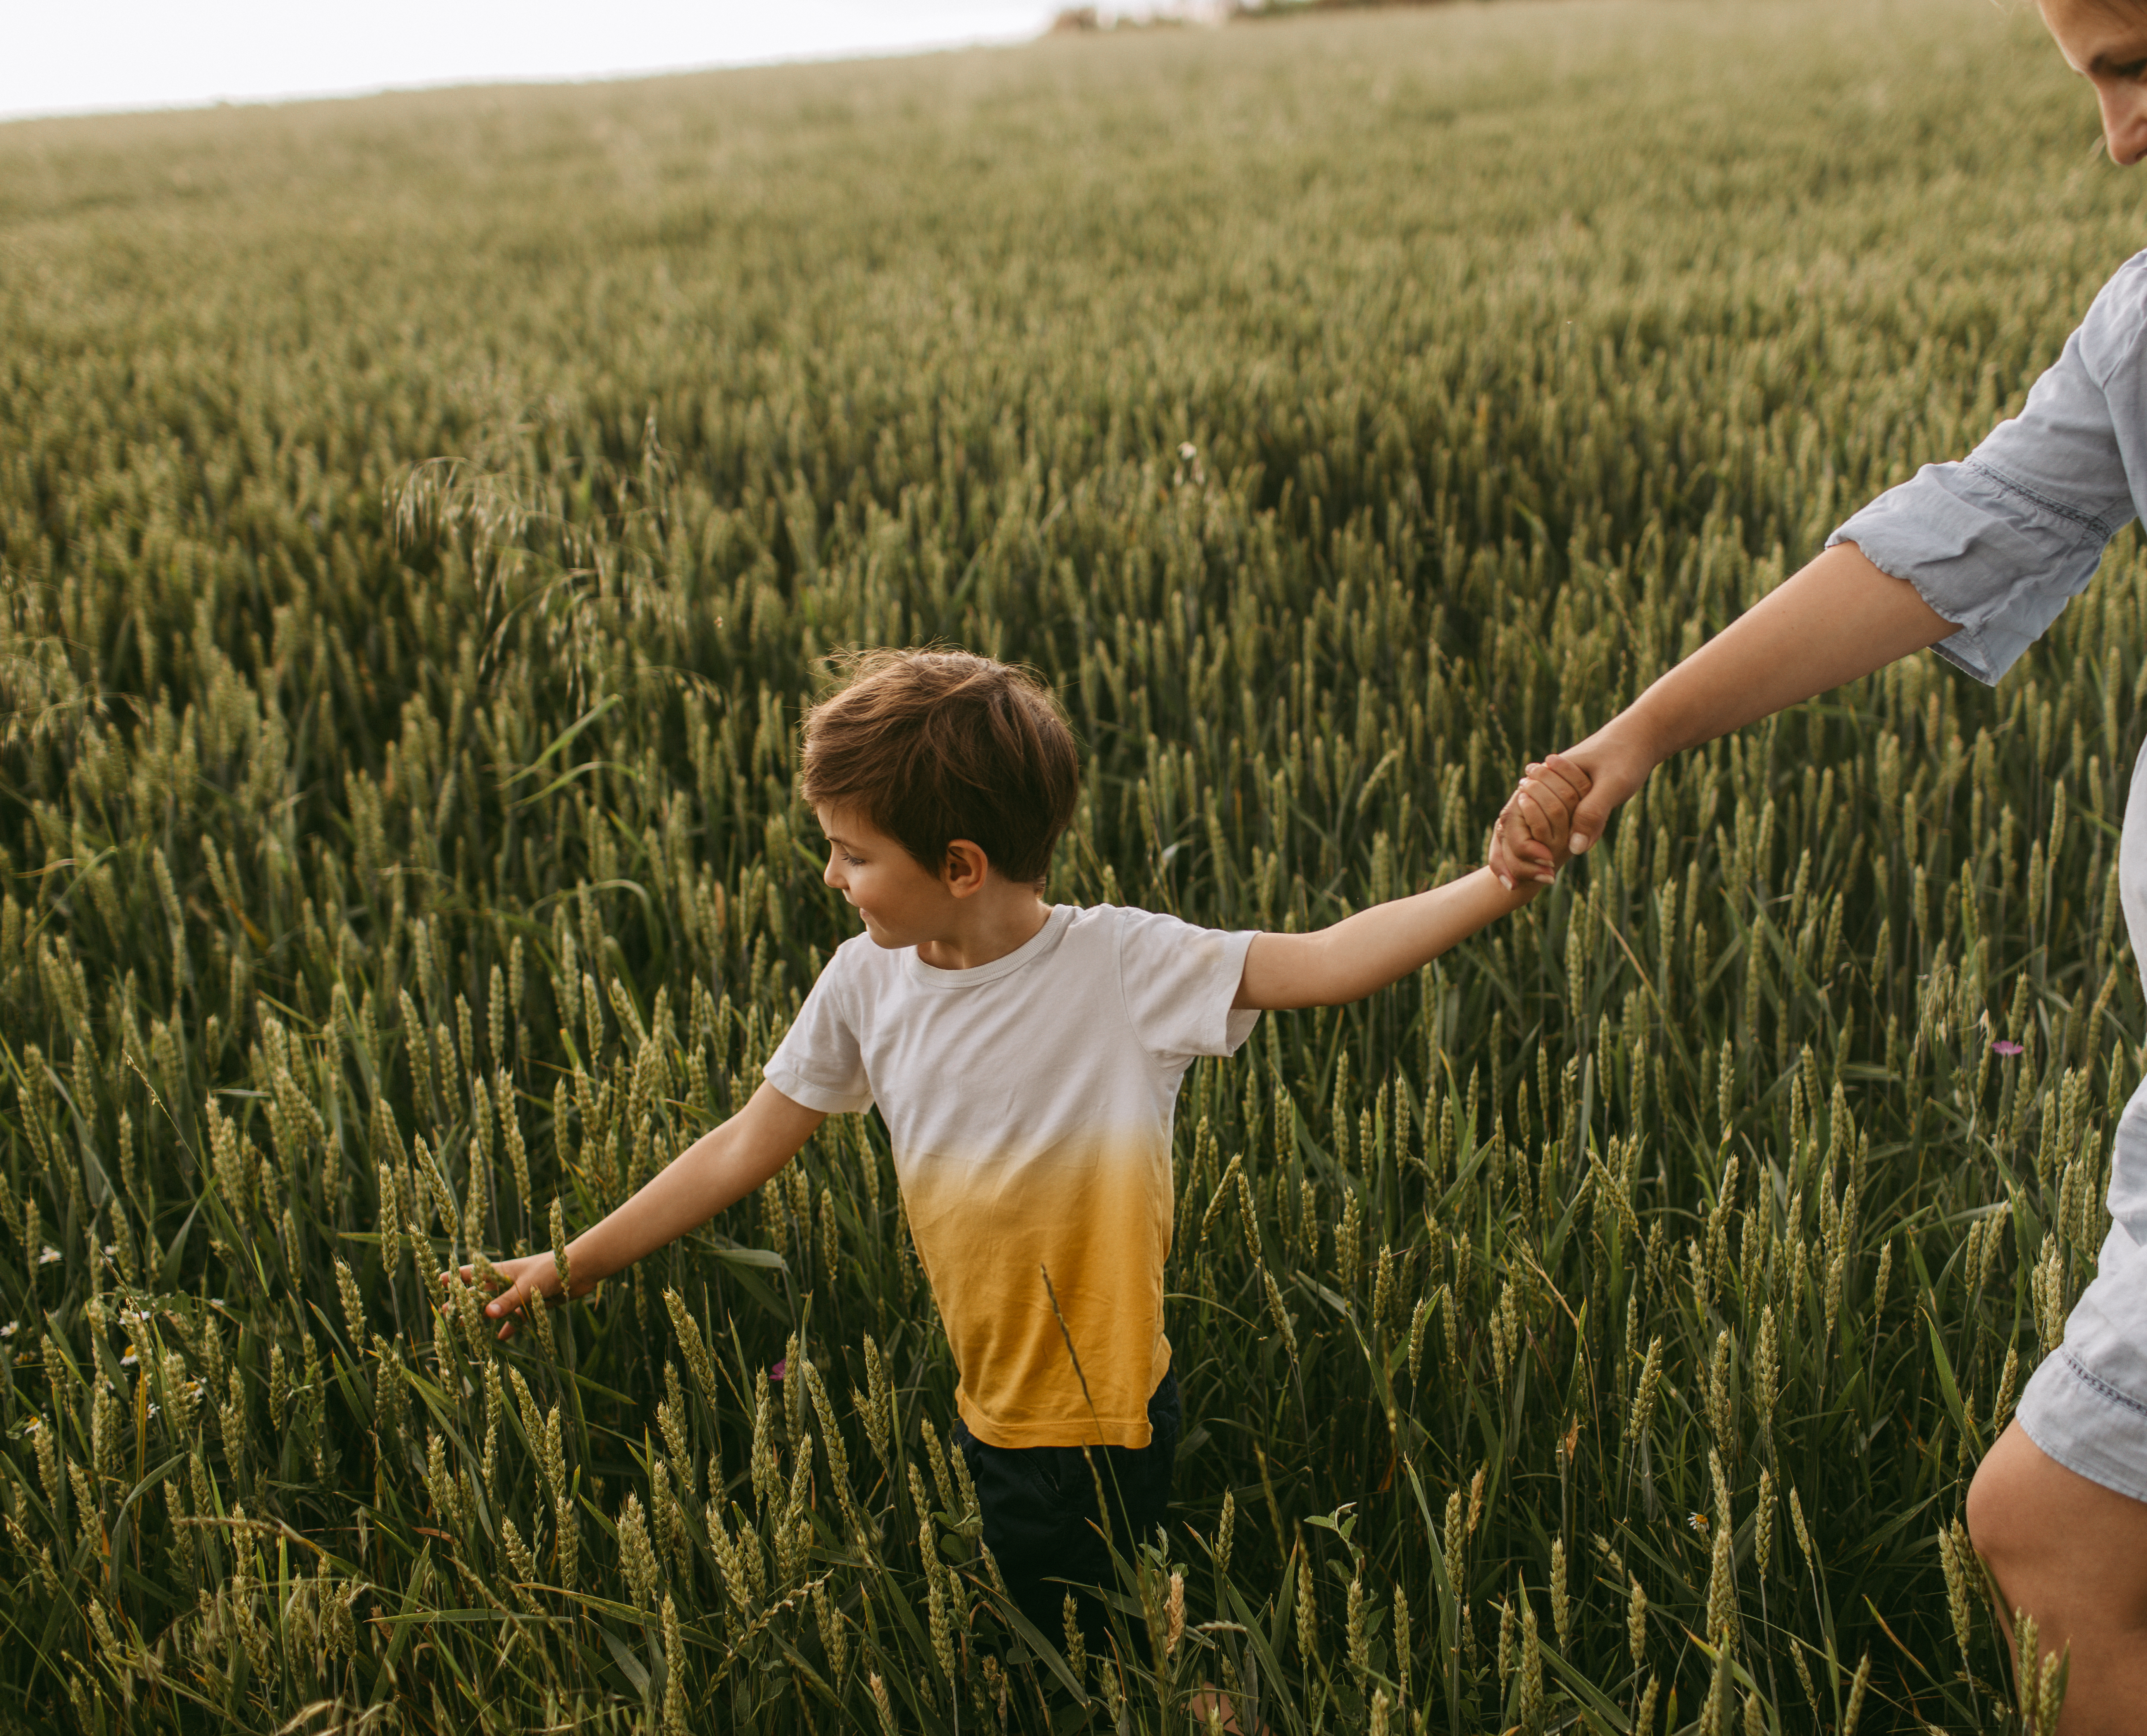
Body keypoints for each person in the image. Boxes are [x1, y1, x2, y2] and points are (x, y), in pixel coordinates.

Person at [1493, 1, 2147, 1730]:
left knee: (2048, 1540)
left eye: (2131, 64)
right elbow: (1984, 517)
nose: (2119, 136)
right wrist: (1644, 729)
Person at [472, 648, 1539, 1695]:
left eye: (852, 853)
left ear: (961, 867)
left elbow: (1331, 959)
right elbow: (744, 1144)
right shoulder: (865, 985)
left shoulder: (1124, 967)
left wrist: (1499, 881)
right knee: (1066, 1610)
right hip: (993, 1400)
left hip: (1113, 1405)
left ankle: (1176, 1692)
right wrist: (574, 1261)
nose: (829, 875)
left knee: (1079, 1644)